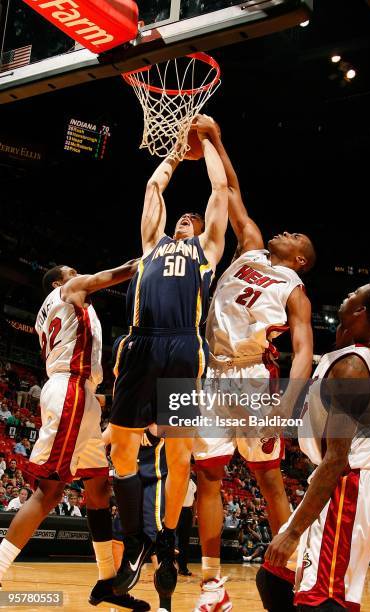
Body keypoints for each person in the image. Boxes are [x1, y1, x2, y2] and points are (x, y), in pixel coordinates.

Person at [191, 115, 315, 611]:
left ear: (301, 258)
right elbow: (233, 190)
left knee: (267, 479)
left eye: (295, 235)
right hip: (211, 373)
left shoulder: (295, 289)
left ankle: (288, 567)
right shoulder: (250, 249)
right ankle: (212, 583)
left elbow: (303, 350)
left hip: (251, 378)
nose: (283, 231)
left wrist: (287, 405)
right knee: (209, 476)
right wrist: (215, 138)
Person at [108, 126, 228, 599]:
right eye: (183, 216)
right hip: (140, 344)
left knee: (179, 456)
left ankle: (168, 538)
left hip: (181, 347)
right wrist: (178, 153)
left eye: (193, 218)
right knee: (121, 449)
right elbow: (153, 187)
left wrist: (212, 144)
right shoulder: (151, 244)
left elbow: (219, 190)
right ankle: (136, 540)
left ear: (199, 231)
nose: (187, 218)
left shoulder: (207, 252)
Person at [0, 261, 149, 611]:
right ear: (57, 282)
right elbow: (111, 275)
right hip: (70, 391)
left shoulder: (58, 308)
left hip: (80, 395)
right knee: (49, 491)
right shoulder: (67, 290)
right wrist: (150, 260)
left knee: (98, 489)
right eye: (70, 270)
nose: (77, 272)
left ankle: (107, 583)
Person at [258, 283, 370, 611]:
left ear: (361, 311)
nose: (346, 295)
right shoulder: (343, 351)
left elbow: (337, 458)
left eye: (353, 294)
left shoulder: (351, 368)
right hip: (336, 476)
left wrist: (294, 531)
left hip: (349, 481)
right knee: (275, 576)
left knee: (324, 599)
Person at [176, 475, 196, 576]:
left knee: (184, 542)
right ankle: (169, 565)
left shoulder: (193, 482)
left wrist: (194, 516)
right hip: (177, 510)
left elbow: (195, 501)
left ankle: (183, 568)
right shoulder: (178, 479)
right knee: (172, 540)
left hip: (188, 512)